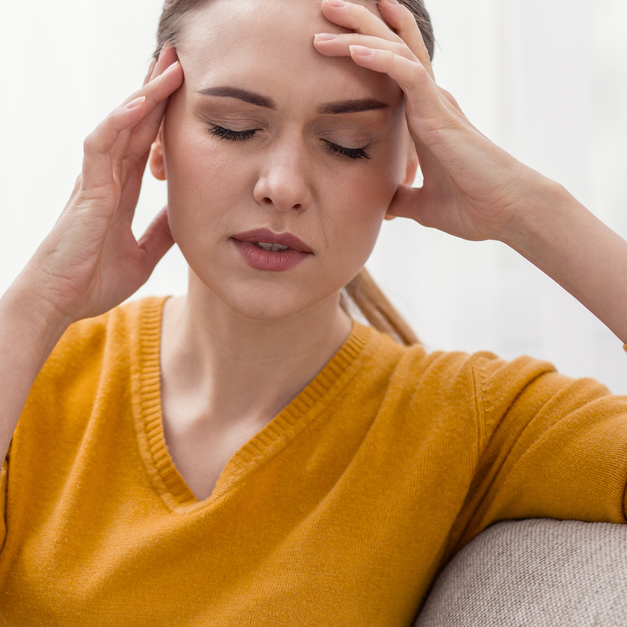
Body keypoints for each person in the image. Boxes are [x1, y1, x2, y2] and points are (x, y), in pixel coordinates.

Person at [1, 0, 626, 623]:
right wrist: (39, 302)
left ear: (408, 160)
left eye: (346, 144)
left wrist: (530, 210)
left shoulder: (461, 420)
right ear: (153, 133)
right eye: (235, 127)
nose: (284, 186)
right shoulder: (34, 377)